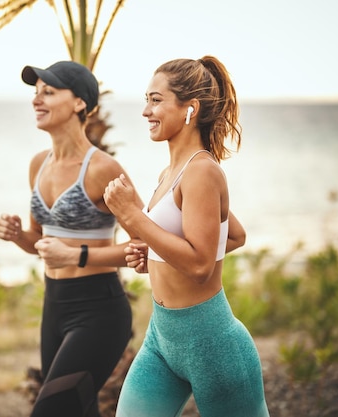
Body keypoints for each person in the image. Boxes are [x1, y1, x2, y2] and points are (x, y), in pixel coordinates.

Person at [103, 56, 270, 417]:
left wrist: (132, 215)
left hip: (212, 343)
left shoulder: (202, 171)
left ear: (190, 109)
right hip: (162, 340)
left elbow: (199, 264)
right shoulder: (171, 172)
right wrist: (158, 256)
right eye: (146, 99)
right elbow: (234, 235)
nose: (146, 110)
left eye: (156, 100)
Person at [0, 60, 142, 417]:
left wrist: (76, 256)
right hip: (55, 306)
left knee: (51, 412)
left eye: (48, 91)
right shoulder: (38, 165)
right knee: (77, 411)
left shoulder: (102, 169)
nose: (37, 100)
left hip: (99, 311)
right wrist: (18, 236)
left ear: (79, 103)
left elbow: (144, 247)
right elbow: (42, 243)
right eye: (35, 93)